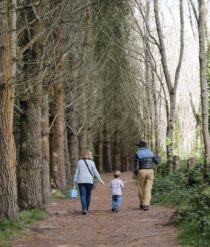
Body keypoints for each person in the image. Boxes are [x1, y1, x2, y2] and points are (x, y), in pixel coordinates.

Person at [74, 150, 105, 215]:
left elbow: (77, 172)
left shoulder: (79, 162)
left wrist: (75, 180)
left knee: (82, 195)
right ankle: (87, 209)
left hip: (81, 181)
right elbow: (95, 172)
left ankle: (84, 209)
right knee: (88, 195)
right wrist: (100, 180)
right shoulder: (92, 162)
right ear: (90, 155)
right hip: (89, 181)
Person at [133, 141, 159, 211]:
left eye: (138, 146)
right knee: (148, 189)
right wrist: (158, 156)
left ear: (140, 146)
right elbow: (157, 162)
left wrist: (136, 172)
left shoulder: (138, 153)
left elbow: (136, 165)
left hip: (141, 171)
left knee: (141, 188)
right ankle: (146, 205)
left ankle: (141, 204)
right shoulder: (151, 153)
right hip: (150, 171)